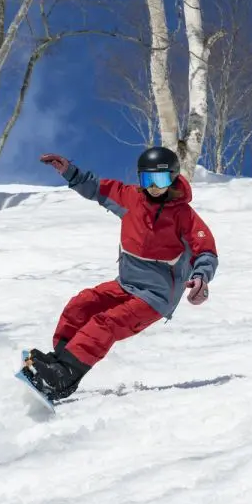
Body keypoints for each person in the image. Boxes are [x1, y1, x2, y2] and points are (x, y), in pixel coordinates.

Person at [20, 146, 219, 402]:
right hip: (126, 284)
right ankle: (60, 363)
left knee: (106, 323)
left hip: (155, 297)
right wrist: (68, 171)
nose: (154, 187)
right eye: (148, 180)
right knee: (81, 305)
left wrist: (201, 278)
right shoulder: (131, 199)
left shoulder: (185, 217)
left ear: (173, 178)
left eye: (161, 179)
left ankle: (62, 377)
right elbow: (95, 187)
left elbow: (206, 252)